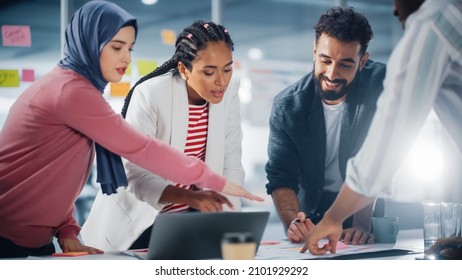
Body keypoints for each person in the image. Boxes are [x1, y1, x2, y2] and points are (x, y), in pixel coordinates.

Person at [0, 1, 262, 259]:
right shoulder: (70, 92)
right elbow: (140, 151)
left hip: (36, 241)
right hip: (10, 238)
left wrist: (66, 228)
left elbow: (57, 174)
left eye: (129, 48)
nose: (125, 57)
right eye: (116, 47)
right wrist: (210, 180)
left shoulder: (78, 92)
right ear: (87, 43)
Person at [303, 0, 462, 256]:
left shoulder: (433, 24)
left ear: (362, 61)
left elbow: (385, 145)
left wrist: (333, 218)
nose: (394, 9)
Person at [80, 20, 246, 250]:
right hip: (136, 226)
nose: (221, 81)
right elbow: (133, 173)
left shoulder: (230, 91)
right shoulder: (151, 94)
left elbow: (231, 164)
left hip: (188, 228)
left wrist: (226, 230)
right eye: (209, 72)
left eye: (227, 69)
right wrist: (189, 198)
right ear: (183, 70)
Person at [265, 6, 386, 245]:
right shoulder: (288, 107)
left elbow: (378, 158)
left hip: (363, 206)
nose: (332, 74)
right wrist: (294, 222)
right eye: (325, 60)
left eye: (345, 64)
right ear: (314, 51)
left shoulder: (382, 86)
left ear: (363, 62)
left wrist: (362, 224)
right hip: (311, 212)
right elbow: (281, 176)